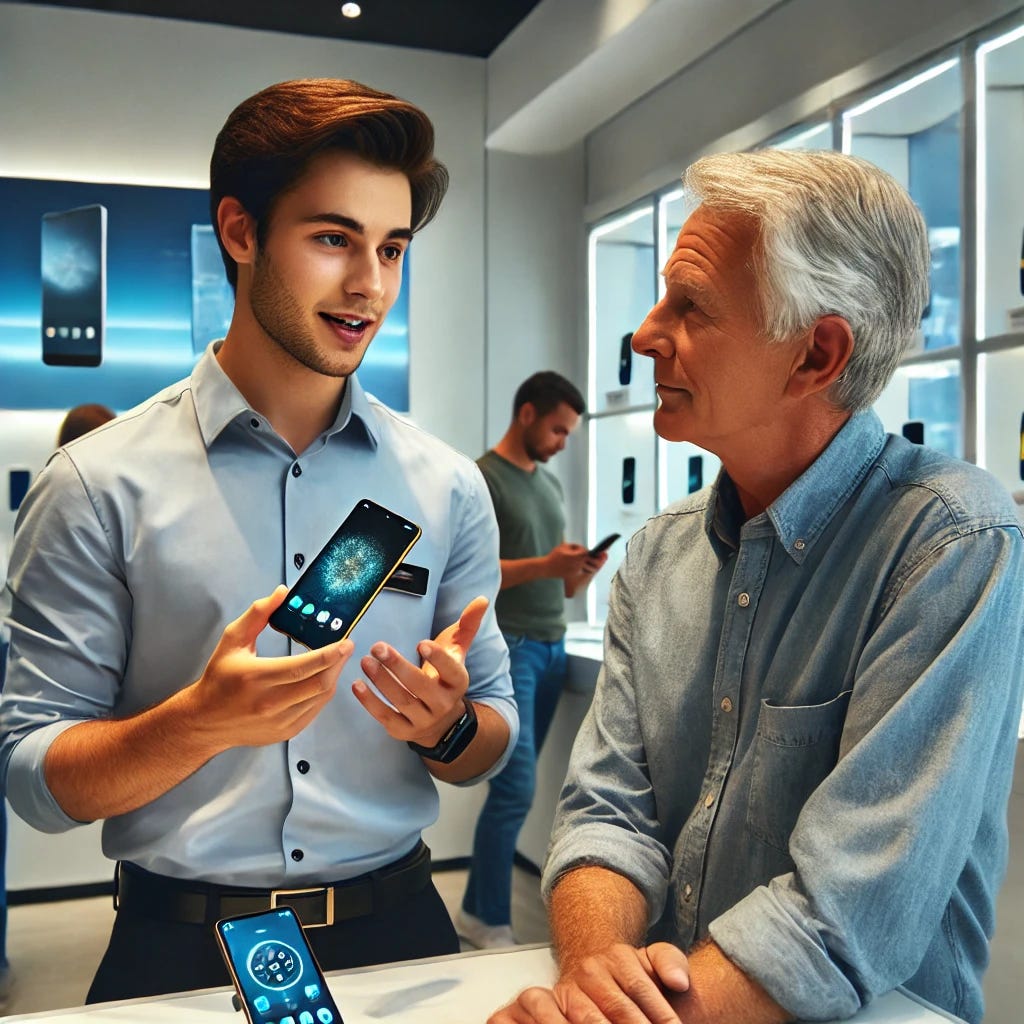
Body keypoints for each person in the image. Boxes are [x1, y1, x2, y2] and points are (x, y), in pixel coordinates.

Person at [0, 77, 518, 1003]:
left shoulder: (446, 486)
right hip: (177, 948)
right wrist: (193, 725)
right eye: (333, 239)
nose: (370, 284)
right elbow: (34, 779)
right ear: (241, 234)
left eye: (392, 248)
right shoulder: (94, 484)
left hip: (402, 934)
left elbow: (493, 736)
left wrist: (448, 730)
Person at [490, 150, 1024, 1024]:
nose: (645, 333)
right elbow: (605, 817)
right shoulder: (660, 554)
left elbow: (845, 910)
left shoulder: (951, 541)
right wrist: (597, 980)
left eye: (690, 306)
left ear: (816, 353)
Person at [456, 372, 608, 949]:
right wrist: (547, 565)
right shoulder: (481, 479)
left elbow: (559, 588)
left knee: (518, 787)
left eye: (569, 434)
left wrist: (572, 573)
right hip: (511, 647)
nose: (562, 442)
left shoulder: (549, 486)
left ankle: (477, 906)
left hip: (552, 645)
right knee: (515, 790)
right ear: (526, 415)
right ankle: (485, 915)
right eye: (557, 429)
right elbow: (475, 574)